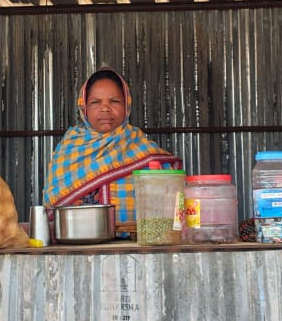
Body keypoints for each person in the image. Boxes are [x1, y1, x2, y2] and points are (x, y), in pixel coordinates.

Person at [44, 67, 180, 228]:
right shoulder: (68, 149)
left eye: (114, 101)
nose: (105, 108)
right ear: (84, 107)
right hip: (78, 241)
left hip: (140, 243)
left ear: (126, 105)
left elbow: (172, 201)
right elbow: (52, 206)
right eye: (95, 102)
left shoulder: (142, 147)